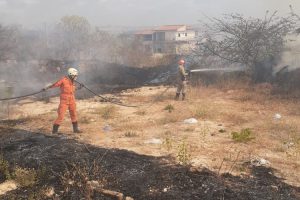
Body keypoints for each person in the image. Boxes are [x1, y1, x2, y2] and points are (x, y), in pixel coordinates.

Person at [43, 67, 82, 134]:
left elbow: (72, 90)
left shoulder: (73, 81)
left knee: (74, 114)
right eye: (75, 75)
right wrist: (47, 87)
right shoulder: (63, 80)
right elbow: (55, 84)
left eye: (76, 76)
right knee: (61, 116)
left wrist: (79, 87)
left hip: (72, 100)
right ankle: (54, 131)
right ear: (70, 74)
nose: (76, 77)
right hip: (64, 101)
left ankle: (75, 130)